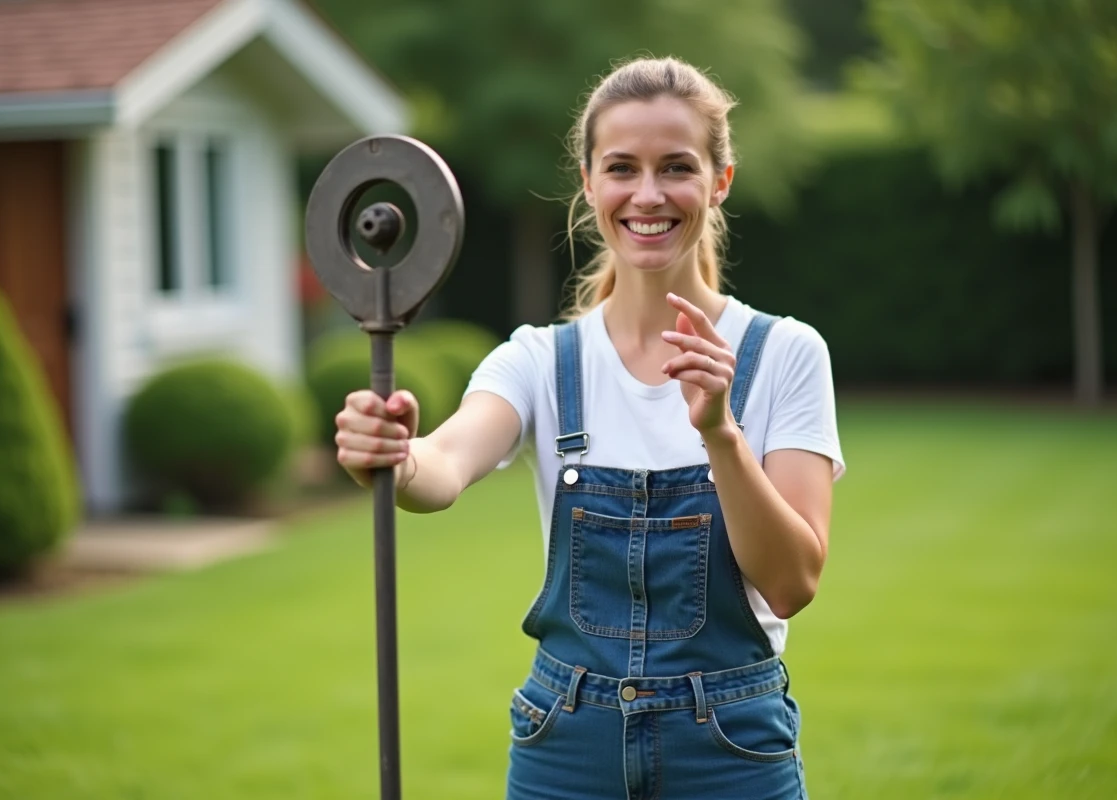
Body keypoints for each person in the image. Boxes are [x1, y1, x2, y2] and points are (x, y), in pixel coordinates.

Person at [335, 55, 845, 800]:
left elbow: (794, 581)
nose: (647, 194)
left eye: (676, 167)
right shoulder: (542, 360)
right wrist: (395, 456)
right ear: (588, 183)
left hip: (731, 748)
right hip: (565, 746)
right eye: (621, 168)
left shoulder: (786, 354)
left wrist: (721, 435)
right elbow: (442, 467)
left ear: (719, 181)